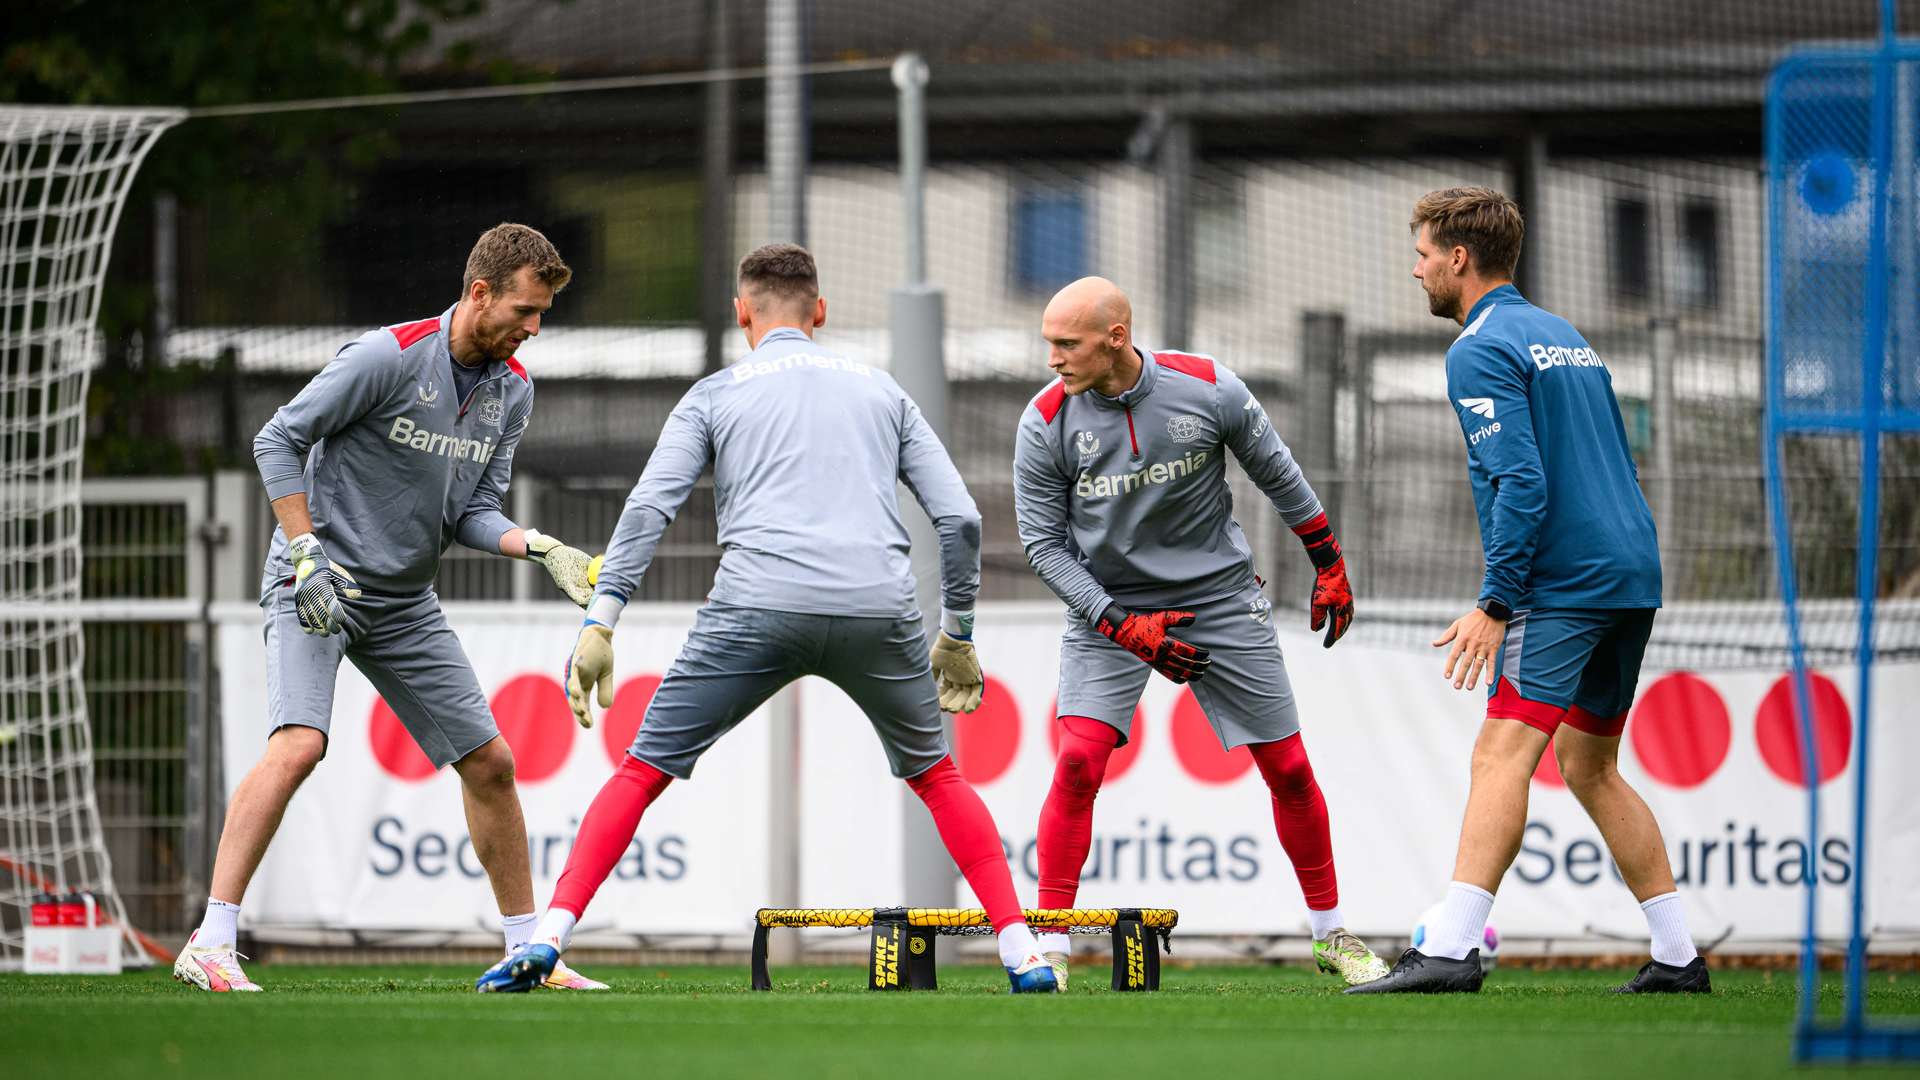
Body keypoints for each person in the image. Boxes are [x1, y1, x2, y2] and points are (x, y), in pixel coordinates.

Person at [475, 243, 1058, 994]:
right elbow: (961, 518)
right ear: (819, 312)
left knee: (641, 772)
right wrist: (960, 632)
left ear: (741, 312)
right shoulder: (883, 390)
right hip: (875, 611)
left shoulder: (716, 393)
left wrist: (601, 621)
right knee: (940, 777)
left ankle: (548, 940)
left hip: (755, 607)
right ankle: (1023, 952)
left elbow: (651, 507)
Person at [173, 224, 607, 992]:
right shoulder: (387, 356)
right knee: (299, 746)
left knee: (492, 763)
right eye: (526, 310)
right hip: (317, 584)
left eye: (541, 315)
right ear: (480, 294)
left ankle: (525, 951)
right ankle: (210, 939)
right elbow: (278, 440)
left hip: (405, 600)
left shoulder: (514, 388)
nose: (534, 328)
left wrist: (538, 548)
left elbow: (472, 509)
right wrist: (304, 553)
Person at [1350, 187, 1708, 995]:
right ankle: (1679, 957)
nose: (1415, 270)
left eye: (1422, 254)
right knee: (1590, 765)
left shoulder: (1478, 348)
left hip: (1566, 583)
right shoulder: (1562, 335)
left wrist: (1496, 601)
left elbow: (1522, 481)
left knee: (1500, 752)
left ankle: (1450, 950)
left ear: (1459, 258)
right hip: (1630, 571)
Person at [1013, 276, 1387, 989]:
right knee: (1076, 765)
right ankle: (1049, 952)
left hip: (1218, 597)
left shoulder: (1208, 387)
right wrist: (1120, 624)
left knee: (1290, 769)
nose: (1052, 358)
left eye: (1067, 343)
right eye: (1048, 344)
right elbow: (1043, 547)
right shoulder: (1045, 421)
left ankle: (1331, 934)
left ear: (1116, 338)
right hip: (1108, 608)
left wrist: (1329, 561)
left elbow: (1278, 473)